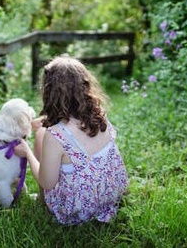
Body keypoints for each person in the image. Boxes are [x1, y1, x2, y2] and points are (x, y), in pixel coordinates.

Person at [14, 56, 128, 225]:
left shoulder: (55, 135)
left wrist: (28, 153)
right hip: (111, 195)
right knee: (45, 133)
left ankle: (42, 200)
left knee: (41, 135)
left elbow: (47, 182)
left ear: (49, 91)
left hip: (78, 209)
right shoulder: (99, 115)